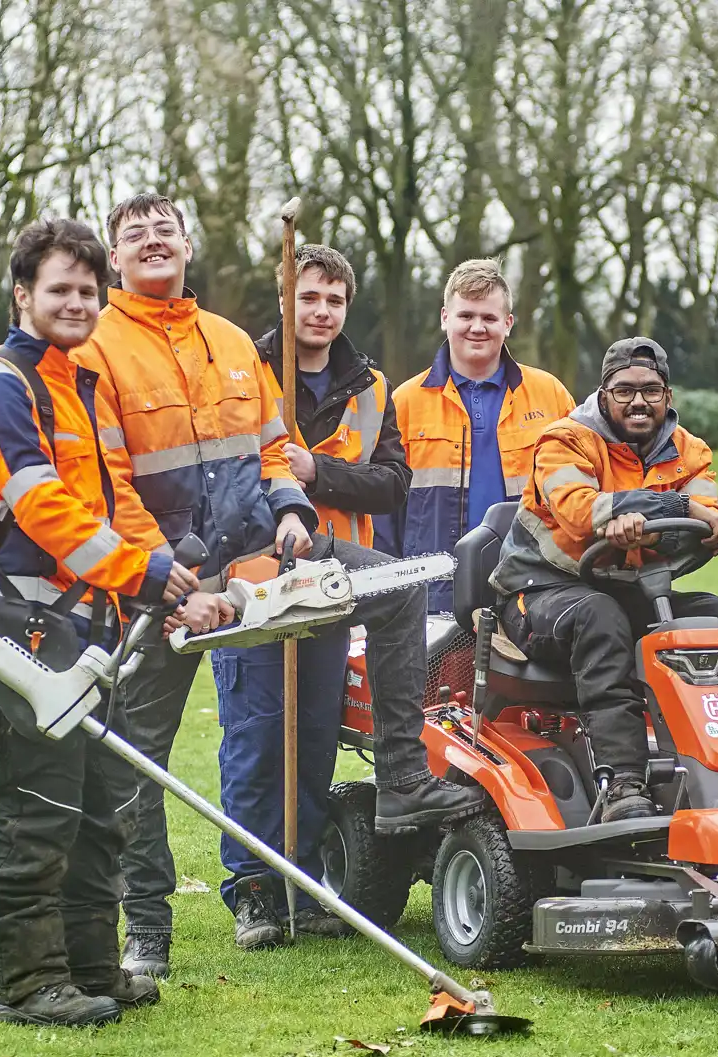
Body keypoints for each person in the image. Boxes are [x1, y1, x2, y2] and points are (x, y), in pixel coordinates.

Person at [72, 194, 481, 973]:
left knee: (394, 590)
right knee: (137, 757)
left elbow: (269, 445)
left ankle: (399, 780)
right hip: (159, 577)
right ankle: (148, 928)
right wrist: (159, 573)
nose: (153, 242)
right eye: (135, 235)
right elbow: (105, 478)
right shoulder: (95, 347)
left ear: (188, 245)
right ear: (113, 256)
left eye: (166, 231)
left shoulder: (228, 344)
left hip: (265, 554)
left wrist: (293, 503)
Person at [0, 217, 198, 1025]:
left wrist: (170, 575)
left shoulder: (79, 385)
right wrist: (140, 571)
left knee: (100, 800)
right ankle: (28, 984)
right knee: (38, 801)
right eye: (60, 288)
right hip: (15, 620)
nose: (77, 302)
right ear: (23, 295)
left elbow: (115, 502)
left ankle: (91, 965)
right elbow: (40, 505)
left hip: (84, 624)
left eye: (89, 290)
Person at [490, 337, 718, 822]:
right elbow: (580, 512)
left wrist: (652, 518)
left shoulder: (689, 452)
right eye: (624, 391)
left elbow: (716, 522)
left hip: (627, 588)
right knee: (602, 618)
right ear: (603, 393)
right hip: (539, 593)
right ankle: (622, 784)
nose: (639, 401)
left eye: (652, 390)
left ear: (668, 396)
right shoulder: (562, 441)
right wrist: (675, 507)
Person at [232, 243, 411, 936]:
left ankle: (303, 889)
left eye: (334, 300)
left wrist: (318, 472)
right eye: (309, 296)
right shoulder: (242, 371)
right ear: (285, 300)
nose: (322, 310)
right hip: (253, 575)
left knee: (311, 738)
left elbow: (392, 485)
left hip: (331, 584)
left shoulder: (370, 385)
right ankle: (251, 889)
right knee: (256, 737)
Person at [380, 258, 574, 612]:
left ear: (508, 324)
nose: (477, 328)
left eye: (489, 318)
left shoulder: (552, 395)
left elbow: (579, 493)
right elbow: (383, 515)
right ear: (444, 318)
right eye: (466, 316)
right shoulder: (404, 402)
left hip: (534, 589)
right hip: (432, 593)